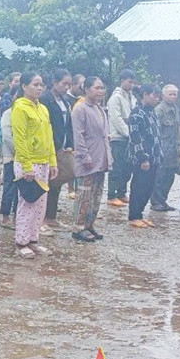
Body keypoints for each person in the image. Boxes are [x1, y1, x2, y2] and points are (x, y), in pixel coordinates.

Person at [11, 72, 57, 258]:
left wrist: (53, 161)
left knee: (40, 205)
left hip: (44, 161)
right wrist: (27, 166)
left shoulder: (43, 109)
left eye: (41, 85)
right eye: (35, 84)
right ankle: (21, 242)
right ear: (24, 86)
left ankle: (33, 239)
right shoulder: (20, 108)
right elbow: (20, 139)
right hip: (27, 162)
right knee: (27, 202)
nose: (39, 88)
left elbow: (49, 136)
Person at [71, 76, 112, 242]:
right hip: (87, 159)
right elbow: (78, 135)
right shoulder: (80, 109)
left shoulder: (100, 109)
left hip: (101, 159)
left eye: (102, 88)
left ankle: (90, 224)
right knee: (84, 194)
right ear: (86, 89)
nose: (100, 91)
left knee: (96, 194)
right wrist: (84, 155)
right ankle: (78, 227)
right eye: (97, 88)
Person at [40, 68, 74, 232]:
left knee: (57, 181)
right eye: (64, 83)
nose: (66, 87)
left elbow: (68, 125)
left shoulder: (65, 101)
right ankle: (41, 220)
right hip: (49, 147)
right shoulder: (45, 100)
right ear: (54, 82)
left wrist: (70, 144)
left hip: (62, 146)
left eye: (69, 84)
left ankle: (51, 217)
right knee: (45, 182)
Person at [127, 85, 164, 228]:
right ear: (146, 95)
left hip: (154, 158)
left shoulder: (152, 113)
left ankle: (140, 214)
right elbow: (135, 137)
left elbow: (156, 136)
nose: (157, 98)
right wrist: (143, 158)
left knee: (148, 188)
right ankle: (133, 216)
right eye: (155, 95)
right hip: (143, 159)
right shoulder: (137, 113)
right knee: (139, 187)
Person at [107, 69, 137, 207]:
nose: (131, 84)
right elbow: (116, 119)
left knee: (127, 168)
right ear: (122, 80)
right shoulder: (115, 98)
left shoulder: (132, 97)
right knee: (117, 167)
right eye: (129, 81)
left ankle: (122, 192)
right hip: (118, 138)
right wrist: (128, 133)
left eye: (133, 82)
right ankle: (111, 195)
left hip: (129, 138)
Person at [151, 84, 180, 211]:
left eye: (175, 94)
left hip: (173, 150)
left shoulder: (176, 109)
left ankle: (163, 200)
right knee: (160, 177)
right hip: (162, 150)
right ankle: (156, 202)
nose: (172, 97)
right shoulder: (159, 110)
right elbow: (155, 132)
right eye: (170, 94)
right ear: (163, 95)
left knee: (170, 177)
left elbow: (177, 131)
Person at [0, 97, 19, 229]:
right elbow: (6, 136)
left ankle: (17, 217)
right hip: (11, 156)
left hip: (24, 157)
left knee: (20, 189)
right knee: (9, 187)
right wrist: (19, 150)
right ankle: (5, 216)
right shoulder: (8, 114)